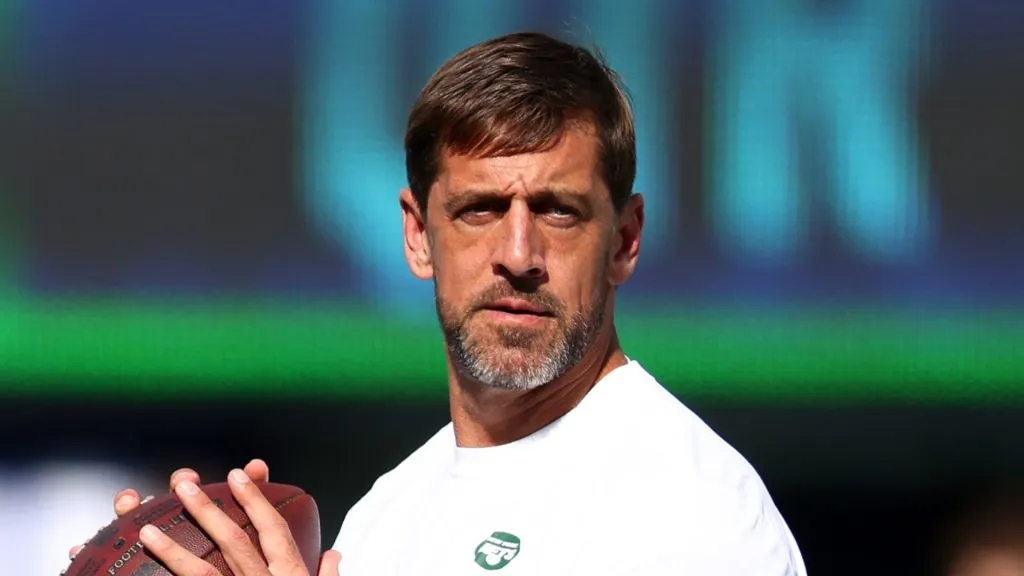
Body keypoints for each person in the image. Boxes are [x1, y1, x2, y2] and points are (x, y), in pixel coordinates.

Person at [70, 31, 807, 575]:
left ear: (625, 239)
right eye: (480, 210)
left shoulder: (696, 512)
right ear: (419, 236)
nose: (518, 257)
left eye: (557, 211)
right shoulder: (383, 519)